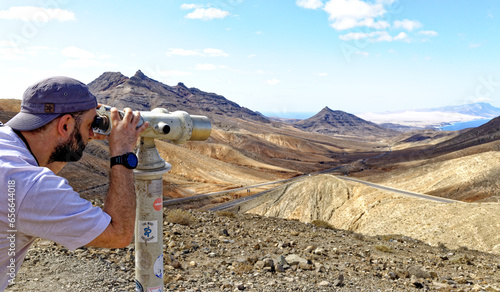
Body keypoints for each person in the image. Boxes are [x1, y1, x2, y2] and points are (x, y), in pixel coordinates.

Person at [0, 76, 148, 290]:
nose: (91, 133)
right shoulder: (30, 186)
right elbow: (119, 234)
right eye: (90, 124)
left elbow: (42, 163)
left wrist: (76, 137)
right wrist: (122, 152)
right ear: (65, 124)